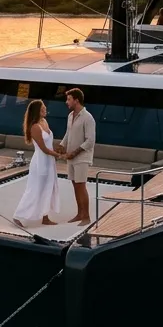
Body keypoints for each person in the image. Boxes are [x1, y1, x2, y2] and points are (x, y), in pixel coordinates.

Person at [13, 99, 63, 228]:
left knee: (48, 188)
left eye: (45, 108)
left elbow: (49, 144)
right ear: (37, 111)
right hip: (40, 161)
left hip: (49, 161)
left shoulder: (44, 122)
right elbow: (43, 148)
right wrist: (58, 155)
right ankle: (18, 215)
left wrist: (57, 151)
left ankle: (45, 217)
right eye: (42, 109)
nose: (45, 110)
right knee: (35, 189)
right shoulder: (35, 127)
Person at [60, 87, 96, 225]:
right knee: (75, 185)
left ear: (76, 100)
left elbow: (90, 140)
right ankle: (80, 214)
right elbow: (68, 134)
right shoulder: (70, 116)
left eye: (69, 99)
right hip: (71, 157)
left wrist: (74, 152)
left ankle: (86, 217)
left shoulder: (88, 118)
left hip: (82, 158)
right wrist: (62, 145)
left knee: (81, 186)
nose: (66, 102)